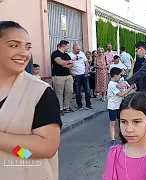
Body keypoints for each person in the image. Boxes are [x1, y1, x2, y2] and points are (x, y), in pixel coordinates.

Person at [0, 21, 61, 180]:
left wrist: (5, 144)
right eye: (14, 45)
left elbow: (46, 149)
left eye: (27, 47)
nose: (24, 53)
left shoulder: (39, 92)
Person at [107, 67, 135, 147]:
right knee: (113, 123)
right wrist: (130, 88)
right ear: (115, 76)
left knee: (121, 122)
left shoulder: (117, 83)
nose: (120, 77)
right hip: (113, 107)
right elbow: (121, 94)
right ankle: (112, 139)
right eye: (119, 75)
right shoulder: (112, 85)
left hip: (119, 106)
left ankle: (123, 137)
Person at [51, 40, 74, 115]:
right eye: (67, 46)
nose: (68, 47)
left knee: (69, 91)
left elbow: (72, 64)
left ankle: (66, 107)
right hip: (58, 76)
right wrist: (67, 62)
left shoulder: (67, 55)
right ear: (63, 46)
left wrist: (65, 64)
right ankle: (60, 108)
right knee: (59, 93)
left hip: (68, 76)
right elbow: (60, 62)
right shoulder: (55, 53)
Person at [68, 44, 92, 110]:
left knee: (87, 91)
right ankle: (79, 105)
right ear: (73, 48)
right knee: (78, 92)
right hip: (76, 75)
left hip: (84, 75)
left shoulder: (82, 54)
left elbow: (86, 63)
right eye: (77, 49)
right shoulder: (70, 55)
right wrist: (72, 73)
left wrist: (86, 71)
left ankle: (88, 104)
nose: (79, 50)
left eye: (79, 49)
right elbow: (68, 65)